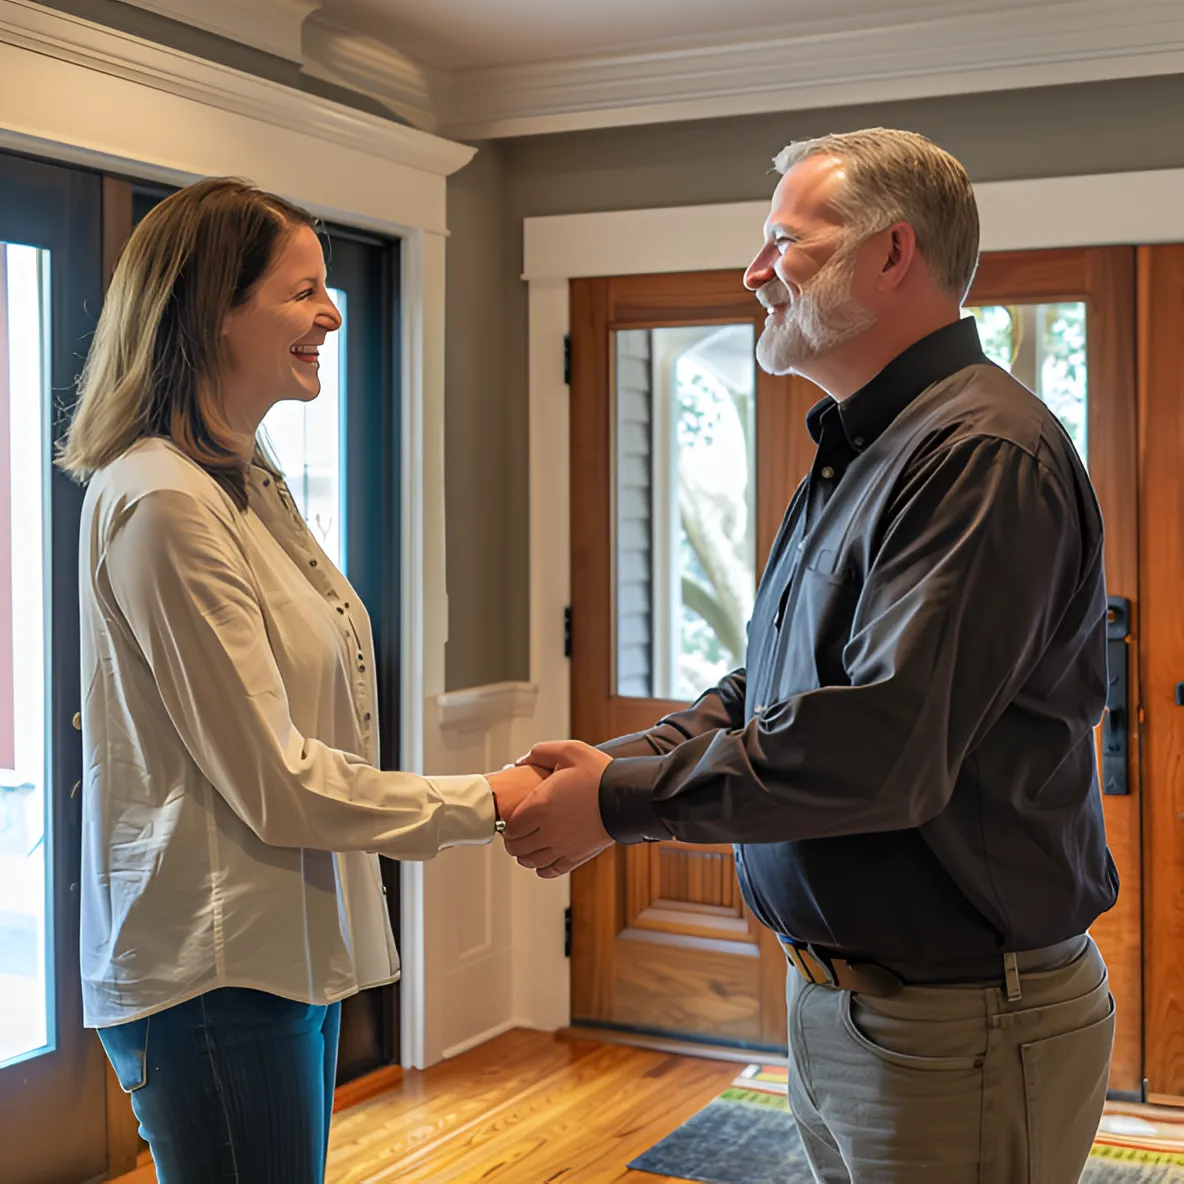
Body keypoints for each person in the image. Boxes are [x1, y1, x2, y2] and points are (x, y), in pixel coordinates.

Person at [503, 129, 1118, 1183]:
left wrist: (619, 803)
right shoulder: (855, 450)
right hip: (847, 1007)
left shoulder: (978, 454)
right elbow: (769, 684)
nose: (751, 272)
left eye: (781, 241)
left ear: (890, 255)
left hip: (958, 1022)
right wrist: (606, 765)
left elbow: (875, 743)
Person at [58, 178, 541, 1184]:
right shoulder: (161, 500)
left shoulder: (247, 478)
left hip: (283, 955)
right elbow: (276, 779)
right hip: (215, 969)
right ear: (211, 310)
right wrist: (488, 798)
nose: (330, 313)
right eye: (301, 290)